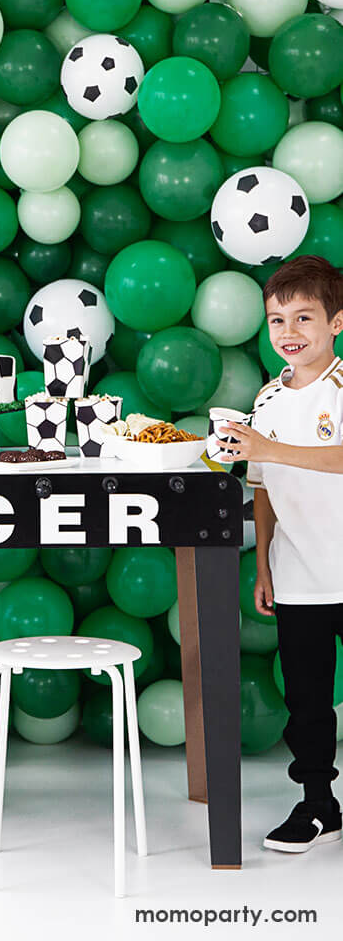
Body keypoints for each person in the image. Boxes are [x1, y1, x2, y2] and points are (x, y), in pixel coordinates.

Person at [215, 254, 343, 853]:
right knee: (308, 701)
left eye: (304, 318)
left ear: (336, 323)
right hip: (299, 575)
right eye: (276, 320)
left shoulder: (339, 388)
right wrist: (263, 559)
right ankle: (318, 804)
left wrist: (268, 446)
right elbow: (263, 484)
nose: (288, 333)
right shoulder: (266, 399)